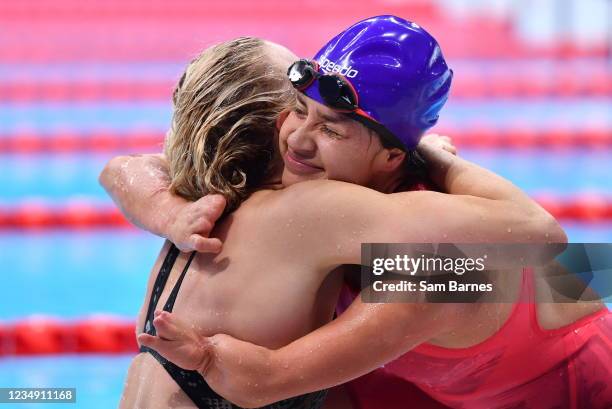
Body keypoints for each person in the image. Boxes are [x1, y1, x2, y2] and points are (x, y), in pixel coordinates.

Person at [102, 16, 583, 409]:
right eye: (296, 108)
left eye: (331, 129)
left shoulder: (420, 259)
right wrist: (164, 209)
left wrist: (437, 158)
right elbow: (131, 168)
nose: (297, 139)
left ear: (393, 156)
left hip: (565, 386)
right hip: (423, 379)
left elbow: (553, 248)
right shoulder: (281, 187)